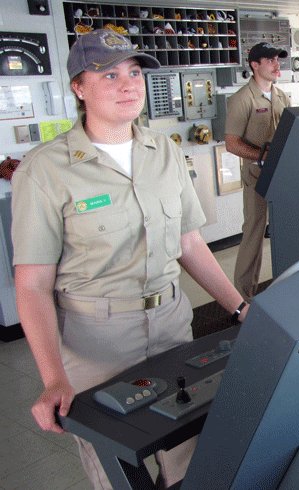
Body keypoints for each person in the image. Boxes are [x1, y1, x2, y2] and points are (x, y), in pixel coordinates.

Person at [12, 29, 250, 489]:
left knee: (193, 454)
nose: (128, 84)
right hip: (96, 343)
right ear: (79, 88)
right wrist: (54, 378)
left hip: (172, 325)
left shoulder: (163, 150)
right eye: (109, 74)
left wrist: (239, 307)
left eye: (135, 72)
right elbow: (32, 285)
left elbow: (189, 243)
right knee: (118, 470)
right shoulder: (45, 170)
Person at [224, 42, 291, 301]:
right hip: (257, 175)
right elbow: (232, 143)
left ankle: (285, 287)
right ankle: (243, 297)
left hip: (283, 174)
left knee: (286, 230)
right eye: (271, 60)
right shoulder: (242, 100)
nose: (277, 65)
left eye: (278, 60)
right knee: (254, 231)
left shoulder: (282, 96)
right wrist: (264, 155)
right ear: (254, 65)